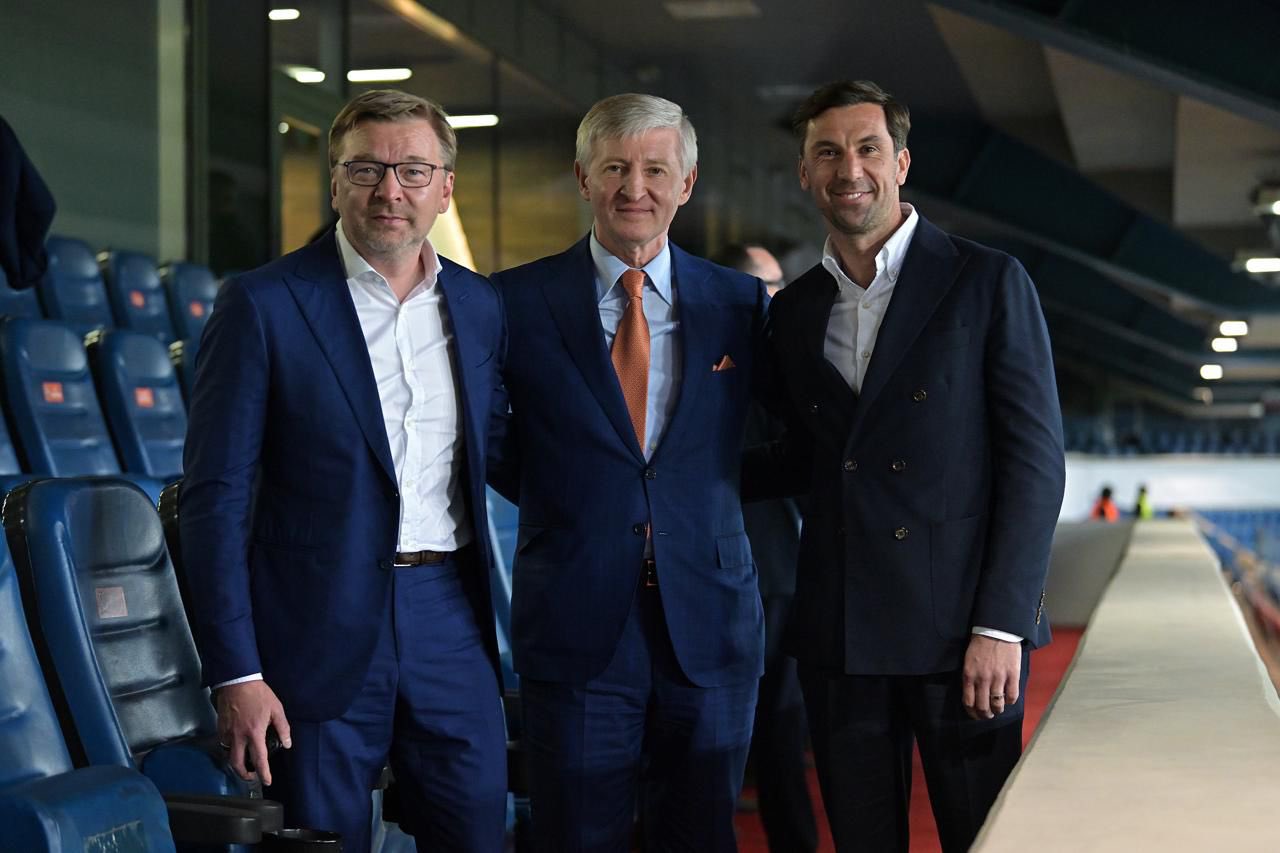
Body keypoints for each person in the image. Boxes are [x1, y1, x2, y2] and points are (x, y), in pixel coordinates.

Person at [180, 89, 508, 853]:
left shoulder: (480, 305)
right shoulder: (262, 303)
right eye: (365, 168)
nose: (389, 190)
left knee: (479, 830)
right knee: (321, 842)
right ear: (335, 183)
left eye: (412, 169)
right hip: (313, 625)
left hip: (448, 614)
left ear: (445, 187)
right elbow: (214, 499)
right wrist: (235, 672)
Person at [747, 80, 1066, 852]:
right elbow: (798, 459)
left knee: (981, 838)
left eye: (867, 148)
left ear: (902, 162)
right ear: (804, 171)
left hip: (960, 632)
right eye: (827, 152)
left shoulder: (985, 281)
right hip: (842, 633)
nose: (847, 168)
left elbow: (1035, 465)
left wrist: (1003, 623)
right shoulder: (793, 312)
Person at [488, 93, 767, 852]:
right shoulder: (514, 301)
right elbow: (491, 442)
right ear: (583, 178)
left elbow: (775, 442)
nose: (632, 188)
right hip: (575, 621)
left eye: (654, 168)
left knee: (702, 835)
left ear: (687, 181)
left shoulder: (743, 306)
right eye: (614, 167)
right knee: (575, 836)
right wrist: (581, 500)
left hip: (709, 622)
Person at [715, 243, 818, 853]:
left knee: (779, 735)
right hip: (734, 573)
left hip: (777, 575)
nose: (777, 297)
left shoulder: (782, 359)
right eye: (766, 284)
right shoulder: (755, 364)